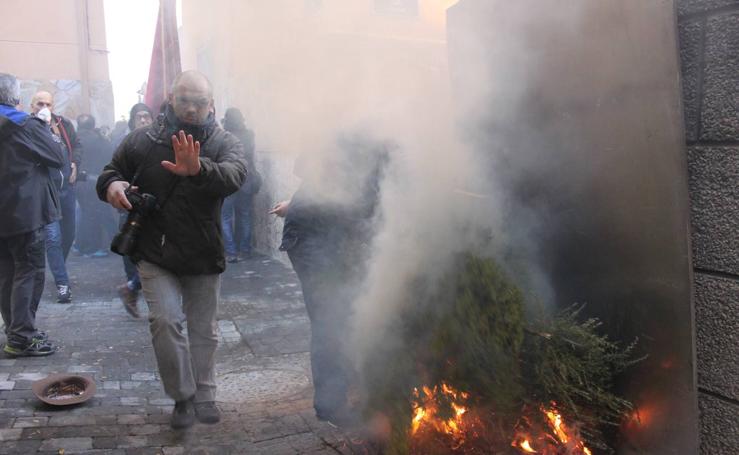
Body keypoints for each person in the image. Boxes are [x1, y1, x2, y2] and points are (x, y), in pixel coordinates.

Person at [97, 71, 247, 429]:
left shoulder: (224, 141)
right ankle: (182, 396)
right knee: (165, 321)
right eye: (185, 101)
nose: (192, 109)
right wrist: (113, 185)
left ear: (211, 104)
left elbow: (237, 175)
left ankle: (206, 393)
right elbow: (110, 172)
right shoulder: (142, 140)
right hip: (155, 249)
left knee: (203, 329)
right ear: (171, 98)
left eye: (200, 102)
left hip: (203, 249)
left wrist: (199, 169)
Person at [270, 131, 389, 425]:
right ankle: (331, 405)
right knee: (330, 317)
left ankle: (352, 388)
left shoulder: (384, 141)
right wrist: (307, 200)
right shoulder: (347, 130)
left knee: (348, 312)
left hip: (338, 234)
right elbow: (312, 170)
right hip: (312, 238)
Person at [0, 73, 64, 356]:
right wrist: (46, 127)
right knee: (28, 271)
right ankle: (21, 337)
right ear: (14, 97)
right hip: (25, 211)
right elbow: (56, 156)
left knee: (7, 273)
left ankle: (15, 330)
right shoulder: (25, 124)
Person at [31, 91, 82, 303]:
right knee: (53, 237)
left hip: (65, 188)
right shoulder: (28, 127)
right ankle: (63, 284)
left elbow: (77, 145)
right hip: (45, 191)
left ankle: (58, 265)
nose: (44, 107)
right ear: (32, 106)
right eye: (40, 103)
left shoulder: (62, 124)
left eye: (48, 104)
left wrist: (75, 164)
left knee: (69, 233)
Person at [115, 103, 154, 318]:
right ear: (132, 120)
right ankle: (132, 288)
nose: (143, 121)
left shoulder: (157, 141)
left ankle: (132, 288)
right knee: (131, 249)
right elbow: (115, 171)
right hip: (131, 202)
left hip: (152, 204)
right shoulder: (126, 142)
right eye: (139, 117)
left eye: (146, 116)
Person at [221, 107, 259, 262]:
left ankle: (231, 252)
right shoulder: (250, 135)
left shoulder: (225, 136)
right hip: (247, 178)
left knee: (225, 216)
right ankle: (245, 250)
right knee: (245, 215)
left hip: (230, 177)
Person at [75, 114, 116, 257]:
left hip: (80, 183)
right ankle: (96, 245)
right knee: (98, 214)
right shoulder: (101, 140)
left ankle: (86, 246)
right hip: (98, 181)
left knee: (87, 214)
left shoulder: (75, 140)